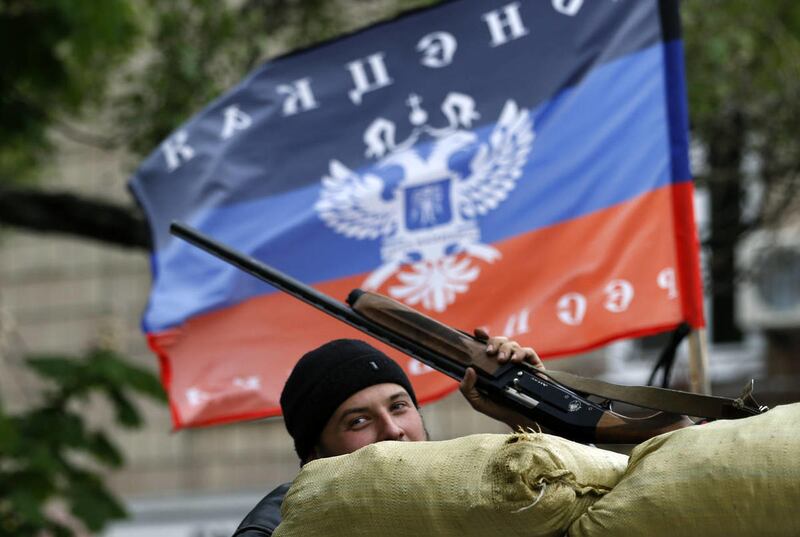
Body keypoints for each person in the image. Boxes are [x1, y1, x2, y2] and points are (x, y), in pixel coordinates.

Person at [232, 331, 542, 537]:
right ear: (315, 456)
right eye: (358, 421)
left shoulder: (483, 490)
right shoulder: (275, 527)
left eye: (398, 407)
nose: (392, 430)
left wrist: (536, 415)